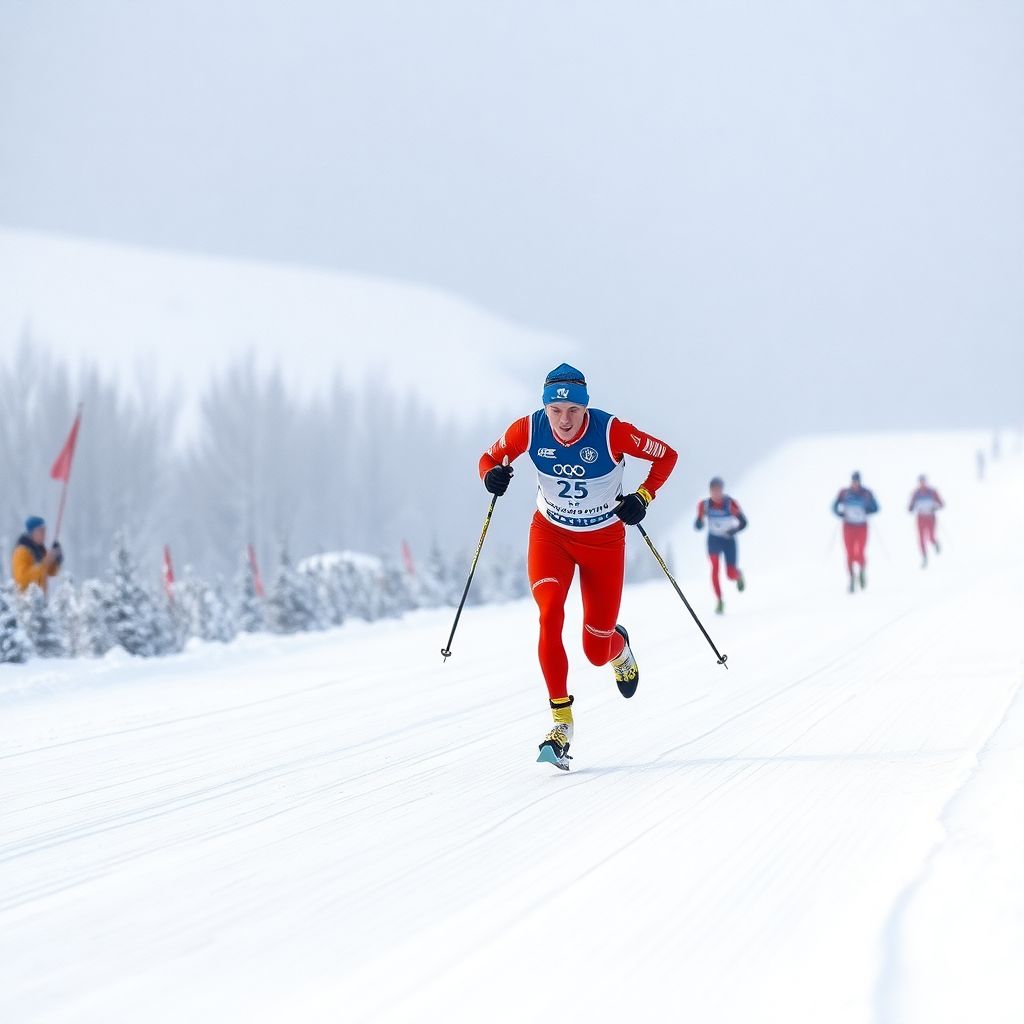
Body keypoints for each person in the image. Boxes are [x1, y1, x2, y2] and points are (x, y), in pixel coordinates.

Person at [479, 363, 678, 770]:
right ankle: (560, 723)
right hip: (550, 536)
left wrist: (643, 496)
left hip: (603, 544)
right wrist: (491, 477)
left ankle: (618, 648)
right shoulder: (527, 430)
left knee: (594, 650)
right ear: (545, 409)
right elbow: (488, 458)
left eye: (573, 409)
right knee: (550, 613)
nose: (565, 420)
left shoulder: (611, 432)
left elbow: (667, 456)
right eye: (556, 411)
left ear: (585, 407)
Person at [693, 477, 747, 614]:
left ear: (722, 490)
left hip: (729, 540)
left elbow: (744, 522)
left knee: (730, 574)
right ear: (710, 491)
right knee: (715, 569)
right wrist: (699, 522)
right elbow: (698, 524)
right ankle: (719, 601)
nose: (716, 494)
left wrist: (734, 530)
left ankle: (738, 575)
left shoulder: (730, 504)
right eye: (713, 491)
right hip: (714, 540)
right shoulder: (704, 505)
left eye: (718, 490)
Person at [832, 472, 879, 593]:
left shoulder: (866, 493)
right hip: (848, 527)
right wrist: (839, 513)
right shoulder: (844, 493)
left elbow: (876, 507)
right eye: (854, 481)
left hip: (862, 527)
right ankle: (852, 578)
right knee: (849, 553)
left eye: (857, 481)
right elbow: (834, 506)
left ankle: (862, 571)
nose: (855, 483)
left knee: (860, 552)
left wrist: (868, 510)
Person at [11, 516, 63, 594]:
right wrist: (45, 562)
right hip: (25, 602)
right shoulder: (21, 551)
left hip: (41, 599)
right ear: (31, 533)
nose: (44, 534)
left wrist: (56, 561)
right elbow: (22, 579)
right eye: (40, 531)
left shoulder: (40, 550)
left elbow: (51, 572)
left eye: (44, 531)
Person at [908, 474, 944, 567]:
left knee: (931, 537)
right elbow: (910, 506)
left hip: (930, 517)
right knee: (921, 538)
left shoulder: (932, 492)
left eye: (923, 481)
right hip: (920, 518)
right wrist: (911, 507)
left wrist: (935, 507)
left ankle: (935, 543)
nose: (922, 483)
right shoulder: (916, 493)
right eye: (920, 482)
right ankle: (924, 557)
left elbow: (941, 504)